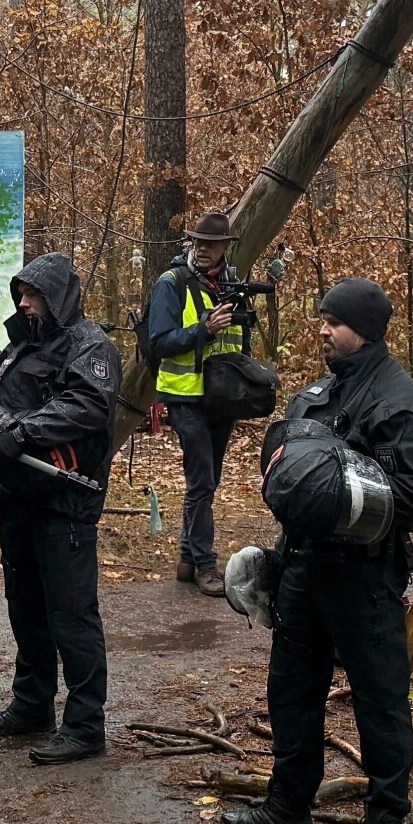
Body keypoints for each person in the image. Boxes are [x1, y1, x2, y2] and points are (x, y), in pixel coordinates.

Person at [221, 278, 413, 824]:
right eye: (321, 318)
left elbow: (409, 500)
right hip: (301, 567)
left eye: (334, 321)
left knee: (380, 703)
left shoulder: (405, 404)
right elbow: (283, 462)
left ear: (366, 329)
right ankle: (289, 808)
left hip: (364, 576)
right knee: (291, 690)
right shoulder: (315, 394)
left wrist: (337, 492)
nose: (322, 329)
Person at [0, 252, 119, 766]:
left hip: (64, 501)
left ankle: (84, 725)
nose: (24, 303)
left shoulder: (89, 346)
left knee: (72, 616)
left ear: (56, 296)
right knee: (26, 611)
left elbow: (87, 405)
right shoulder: (19, 346)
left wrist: (23, 433)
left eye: (32, 294)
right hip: (18, 501)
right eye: (20, 295)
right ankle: (32, 704)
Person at [145, 211, 247, 598]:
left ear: (225, 247)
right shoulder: (172, 283)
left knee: (208, 481)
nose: (203, 248)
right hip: (185, 396)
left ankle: (187, 561)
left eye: (211, 243)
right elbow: (160, 342)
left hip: (222, 397)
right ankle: (206, 565)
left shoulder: (232, 284)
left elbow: (240, 340)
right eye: (198, 241)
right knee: (202, 481)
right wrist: (202, 329)